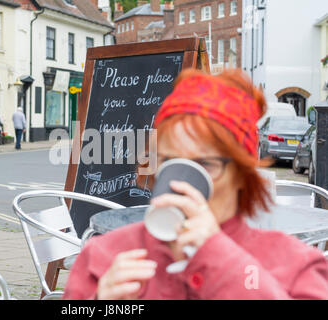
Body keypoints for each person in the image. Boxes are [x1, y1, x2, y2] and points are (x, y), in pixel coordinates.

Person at [63, 69, 328, 300]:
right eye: (168, 161)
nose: (180, 181)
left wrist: (223, 261)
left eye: (205, 164)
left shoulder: (292, 264)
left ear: (241, 173)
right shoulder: (106, 258)